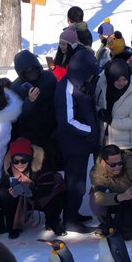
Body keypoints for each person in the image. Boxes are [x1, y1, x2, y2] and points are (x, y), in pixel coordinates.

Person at [53, 45, 100, 233]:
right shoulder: (66, 88)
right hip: (73, 144)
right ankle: (70, 219)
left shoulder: (80, 83)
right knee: (76, 184)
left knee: (79, 182)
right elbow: (68, 121)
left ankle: (73, 212)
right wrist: (91, 130)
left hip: (82, 142)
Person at [0, 138, 67, 238]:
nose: (20, 164)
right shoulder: (9, 169)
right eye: (16, 161)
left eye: (23, 160)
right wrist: (11, 192)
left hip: (43, 194)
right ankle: (14, 226)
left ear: (29, 158)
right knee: (6, 197)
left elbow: (46, 189)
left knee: (55, 198)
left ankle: (53, 221)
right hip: (25, 199)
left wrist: (28, 191)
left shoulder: (42, 166)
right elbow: (2, 189)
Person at [89, 144, 132, 239]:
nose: (117, 167)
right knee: (95, 202)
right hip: (113, 199)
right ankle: (106, 222)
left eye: (120, 163)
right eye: (113, 165)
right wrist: (120, 197)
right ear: (103, 162)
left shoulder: (131, 163)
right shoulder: (97, 172)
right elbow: (99, 196)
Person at [9, 49, 58, 158]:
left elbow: (58, 101)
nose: (32, 73)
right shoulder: (16, 88)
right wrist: (29, 102)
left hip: (52, 128)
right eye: (28, 71)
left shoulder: (49, 78)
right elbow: (17, 116)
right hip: (31, 134)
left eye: (33, 69)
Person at [95, 59, 132, 155]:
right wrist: (99, 111)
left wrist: (112, 121)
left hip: (124, 146)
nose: (121, 83)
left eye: (124, 79)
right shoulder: (101, 86)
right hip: (102, 142)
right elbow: (93, 103)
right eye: (117, 80)